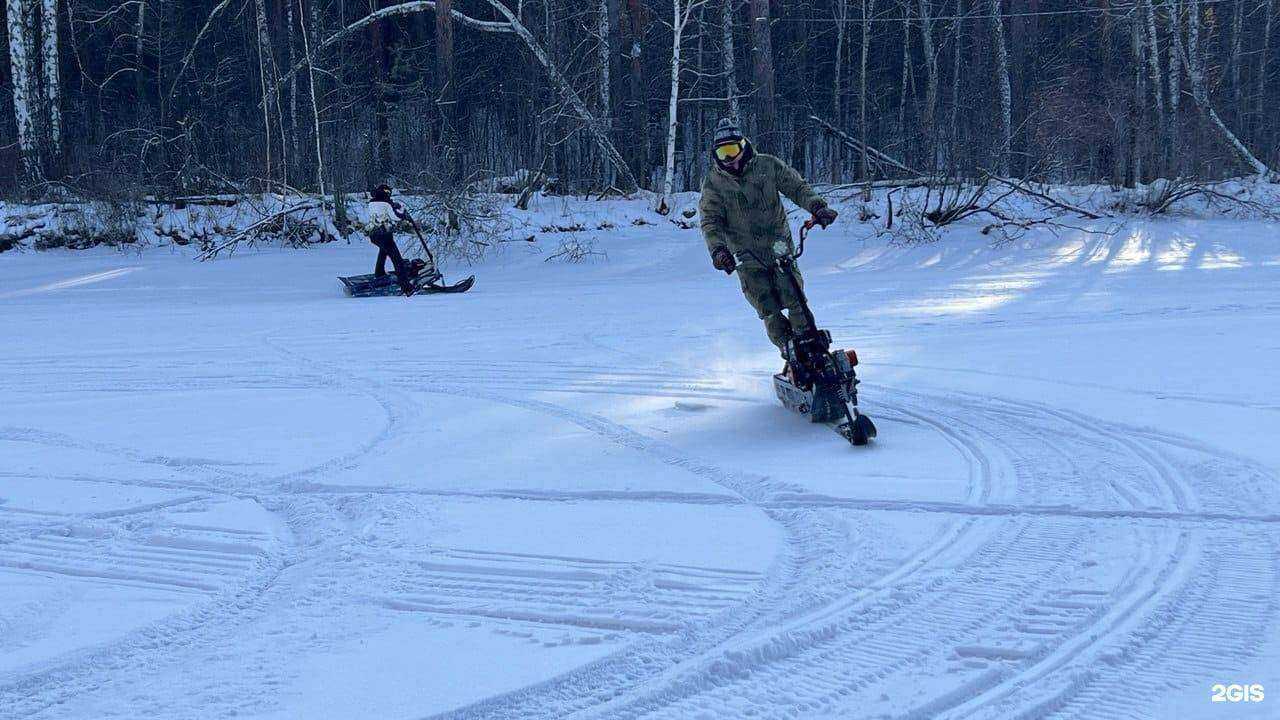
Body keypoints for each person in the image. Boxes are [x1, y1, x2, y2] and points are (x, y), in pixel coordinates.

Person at [698, 118, 839, 358]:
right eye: (722, 153)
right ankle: (790, 351)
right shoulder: (714, 183)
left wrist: (817, 207)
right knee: (768, 310)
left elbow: (796, 187)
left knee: (795, 299)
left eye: (732, 149)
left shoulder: (767, 166)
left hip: (779, 247)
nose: (729, 158)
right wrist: (719, 251)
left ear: (743, 146)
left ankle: (810, 346)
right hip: (745, 255)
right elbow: (711, 220)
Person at [367, 184, 417, 297]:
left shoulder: (372, 202)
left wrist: (393, 205)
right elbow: (395, 216)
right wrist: (404, 215)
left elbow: (381, 211)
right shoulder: (386, 203)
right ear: (386, 192)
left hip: (374, 235)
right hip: (384, 235)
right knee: (398, 261)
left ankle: (379, 273)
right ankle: (407, 288)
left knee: (383, 251)